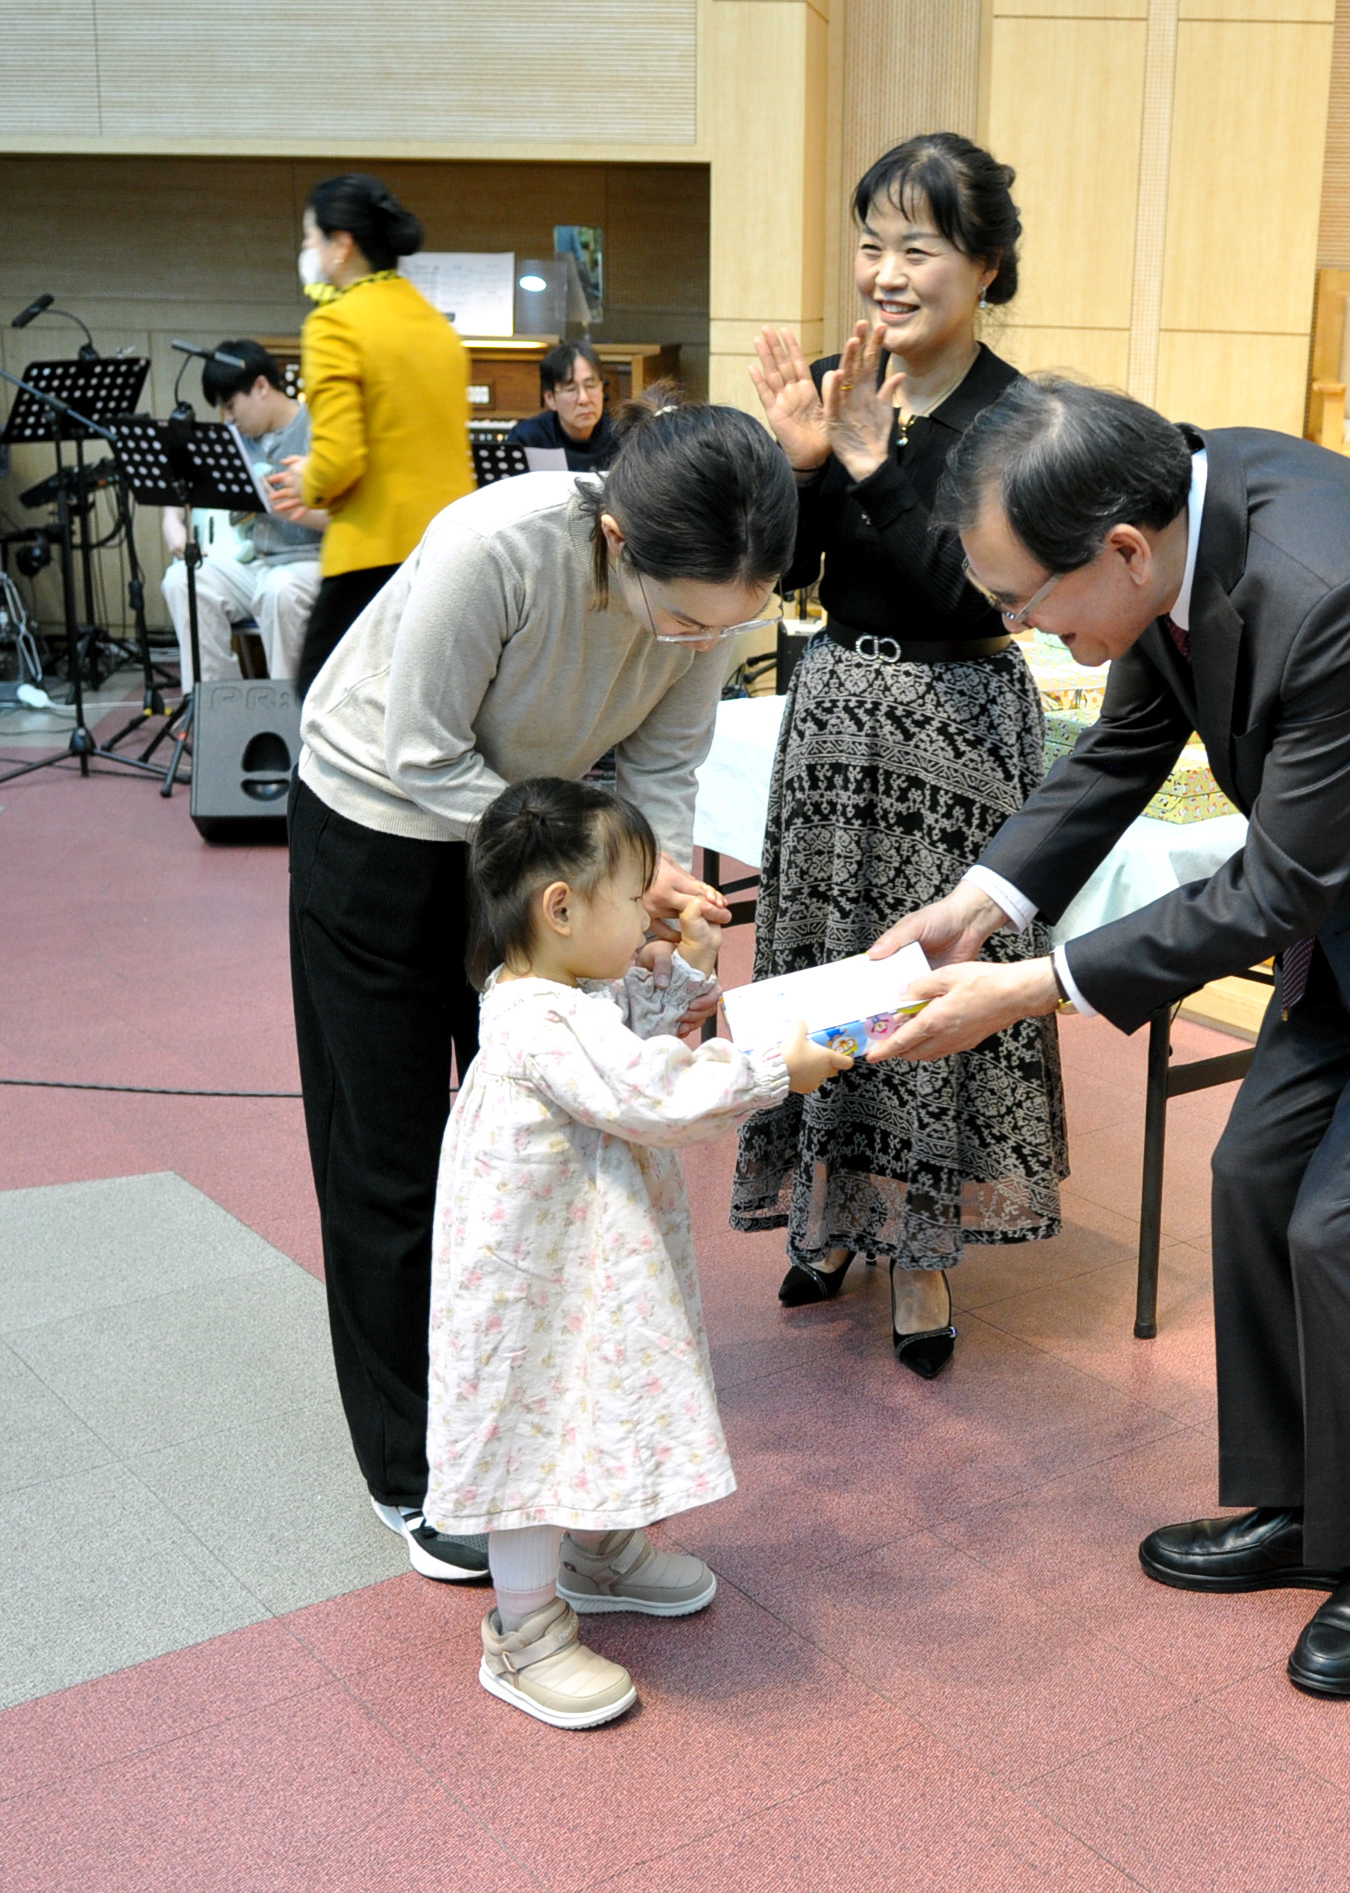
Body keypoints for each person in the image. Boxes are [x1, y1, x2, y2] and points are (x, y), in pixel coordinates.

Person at [865, 377, 1350, 1699]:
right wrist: (981, 904)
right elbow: (1127, 747)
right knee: (1253, 1178)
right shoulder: (1178, 519)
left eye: (1021, 601)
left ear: (1123, 551)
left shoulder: (1343, 588)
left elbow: (1275, 889)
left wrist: (1028, 990)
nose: (1018, 627)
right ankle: (1306, 1508)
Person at [291, 398, 795, 1585]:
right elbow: (422, 753)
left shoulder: (711, 602)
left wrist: (647, 904)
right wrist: (594, 868)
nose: (700, 643)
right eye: (684, 620)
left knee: (550, 1157)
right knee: (390, 1155)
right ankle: (414, 1472)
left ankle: (550, 1456)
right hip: (386, 824)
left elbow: (665, 764)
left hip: (548, 844)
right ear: (619, 540)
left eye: (729, 625)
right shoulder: (497, 546)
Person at [729, 132, 1060, 1380]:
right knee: (825, 964)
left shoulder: (1019, 417)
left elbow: (977, 595)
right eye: (871, 246)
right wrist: (805, 465)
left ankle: (920, 1252)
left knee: (926, 980)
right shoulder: (841, 381)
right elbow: (794, 574)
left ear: (985, 266)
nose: (884, 274)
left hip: (958, 723)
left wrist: (872, 461)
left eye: (916, 248)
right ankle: (826, 1214)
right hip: (836, 714)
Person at [433, 778, 851, 1728]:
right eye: (631, 897)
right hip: (537, 1282)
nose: (645, 913)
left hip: (581, 1263)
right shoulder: (544, 1020)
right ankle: (524, 1629)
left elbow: (632, 1050)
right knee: (534, 1425)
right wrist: (776, 1069)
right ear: (561, 908)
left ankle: (600, 1552)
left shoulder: (567, 991)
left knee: (596, 1391)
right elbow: (652, 1093)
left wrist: (687, 967)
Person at [269, 175, 473, 686]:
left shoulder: (333, 325)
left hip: (372, 552)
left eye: (310, 238)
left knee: (321, 702)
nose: (307, 250)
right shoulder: (436, 324)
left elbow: (339, 460)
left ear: (342, 244)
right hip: (448, 549)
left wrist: (308, 481)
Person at [160, 340, 326, 679]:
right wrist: (172, 521)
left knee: (280, 590)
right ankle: (212, 702)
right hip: (255, 563)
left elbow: (350, 519)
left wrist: (282, 507)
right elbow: (182, 486)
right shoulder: (233, 440)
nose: (229, 418)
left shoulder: (319, 429)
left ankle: (288, 709)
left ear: (261, 387)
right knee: (182, 579)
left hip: (311, 562)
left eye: (231, 405)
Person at [502, 341, 622, 472]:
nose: (584, 399)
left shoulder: (621, 437)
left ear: (602, 388)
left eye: (590, 386)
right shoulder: (527, 439)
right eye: (571, 389)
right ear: (550, 398)